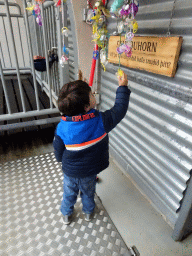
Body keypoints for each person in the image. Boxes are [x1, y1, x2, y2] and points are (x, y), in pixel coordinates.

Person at [53, 71, 131, 225]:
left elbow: (58, 149)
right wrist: (122, 87)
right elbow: (120, 109)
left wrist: (60, 159)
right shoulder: (101, 121)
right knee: (88, 192)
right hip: (89, 171)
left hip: (70, 171)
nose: (94, 94)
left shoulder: (62, 127)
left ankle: (66, 215)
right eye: (91, 94)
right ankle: (88, 212)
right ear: (87, 106)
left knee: (69, 193)